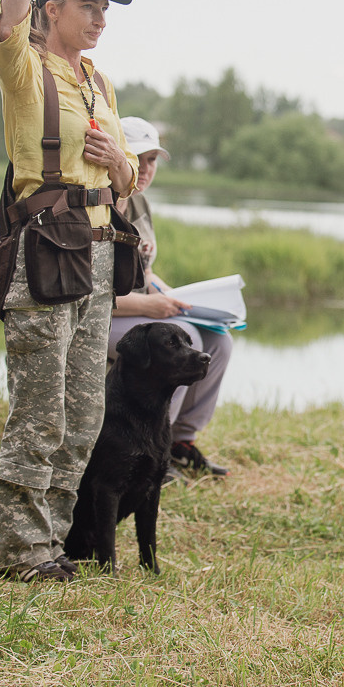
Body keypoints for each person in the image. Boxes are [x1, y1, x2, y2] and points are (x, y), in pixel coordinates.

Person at [0, 0, 140, 582]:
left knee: (82, 420)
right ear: (54, 9)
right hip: (46, 252)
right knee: (40, 415)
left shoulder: (101, 84)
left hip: (103, 258)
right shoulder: (26, 69)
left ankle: (54, 543)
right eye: (90, 5)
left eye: (107, 8)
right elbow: (6, 24)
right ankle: (22, 555)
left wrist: (119, 163)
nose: (102, 17)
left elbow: (129, 179)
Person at [108, 116, 233, 482]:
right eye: (137, 157)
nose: (145, 169)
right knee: (182, 339)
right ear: (117, 156)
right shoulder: (99, 205)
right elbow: (93, 293)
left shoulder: (140, 204)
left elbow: (143, 272)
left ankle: (180, 442)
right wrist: (151, 307)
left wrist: (173, 295)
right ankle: (153, 451)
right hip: (100, 318)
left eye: (152, 160)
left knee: (219, 342)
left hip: (139, 310)